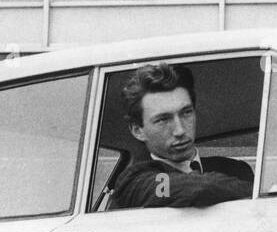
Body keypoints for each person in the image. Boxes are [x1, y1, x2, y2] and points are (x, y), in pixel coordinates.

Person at [107, 62, 254, 210]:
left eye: (186, 113)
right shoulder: (133, 182)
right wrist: (256, 191)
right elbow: (201, 188)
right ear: (138, 130)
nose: (180, 130)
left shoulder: (237, 169)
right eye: (163, 119)